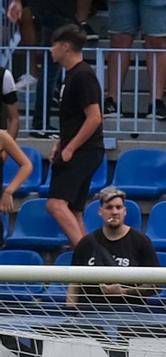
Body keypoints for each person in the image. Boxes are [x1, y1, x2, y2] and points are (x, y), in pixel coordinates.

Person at [45, 25, 103, 247]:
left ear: (65, 46)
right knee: (74, 210)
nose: (51, 50)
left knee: (56, 204)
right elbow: (75, 118)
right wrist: (61, 143)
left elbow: (95, 118)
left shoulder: (83, 75)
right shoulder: (71, 75)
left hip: (84, 151)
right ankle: (93, 261)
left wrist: (70, 148)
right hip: (78, 148)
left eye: (54, 45)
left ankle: (85, 255)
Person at [67, 184, 159, 305]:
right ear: (100, 211)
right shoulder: (86, 243)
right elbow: (74, 283)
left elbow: (156, 284)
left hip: (129, 314)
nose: (114, 212)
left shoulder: (141, 241)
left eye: (118, 207)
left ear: (124, 211)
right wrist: (71, 314)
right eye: (109, 207)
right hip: (90, 313)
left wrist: (124, 292)